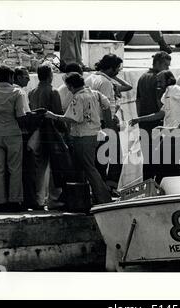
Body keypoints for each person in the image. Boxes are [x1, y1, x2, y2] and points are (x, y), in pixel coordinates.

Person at [45, 72, 112, 204]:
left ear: (70, 85)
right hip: (94, 134)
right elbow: (107, 104)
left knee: (88, 168)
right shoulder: (94, 93)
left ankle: (103, 198)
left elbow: (73, 118)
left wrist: (53, 116)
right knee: (84, 168)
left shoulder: (78, 97)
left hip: (83, 136)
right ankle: (86, 198)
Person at [0, 65, 28, 212]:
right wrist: (25, 131)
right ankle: (14, 201)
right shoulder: (17, 92)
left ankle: (0, 202)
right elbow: (20, 115)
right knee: (14, 168)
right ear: (11, 77)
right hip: (13, 133)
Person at [86, 54, 132, 193]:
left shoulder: (90, 78)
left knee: (100, 157)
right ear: (111, 68)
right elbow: (105, 106)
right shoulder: (105, 83)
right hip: (106, 122)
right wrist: (110, 126)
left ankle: (100, 187)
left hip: (93, 123)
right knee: (115, 157)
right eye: (117, 68)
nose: (118, 71)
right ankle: (109, 187)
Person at [129, 71, 180, 183]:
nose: (158, 83)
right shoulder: (166, 94)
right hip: (167, 133)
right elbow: (161, 114)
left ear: (169, 80)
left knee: (162, 160)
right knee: (165, 162)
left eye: (160, 81)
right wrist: (139, 119)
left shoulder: (176, 89)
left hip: (175, 132)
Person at [28, 64, 70, 209]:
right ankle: (54, 199)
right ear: (50, 75)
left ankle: (38, 200)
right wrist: (65, 131)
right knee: (56, 166)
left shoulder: (32, 92)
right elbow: (57, 114)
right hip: (51, 132)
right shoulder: (53, 92)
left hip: (36, 132)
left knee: (39, 167)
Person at [135, 51, 171, 180]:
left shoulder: (143, 77)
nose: (168, 69)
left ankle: (147, 187)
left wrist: (141, 118)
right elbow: (160, 103)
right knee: (160, 158)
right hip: (157, 122)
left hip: (144, 122)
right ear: (158, 63)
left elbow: (137, 100)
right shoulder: (159, 79)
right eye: (166, 65)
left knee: (147, 159)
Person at [13, 66, 40, 210]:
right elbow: (25, 116)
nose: (29, 79)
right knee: (29, 169)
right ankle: (30, 200)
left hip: (10, 135)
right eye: (25, 76)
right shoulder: (20, 93)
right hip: (23, 135)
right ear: (17, 77)